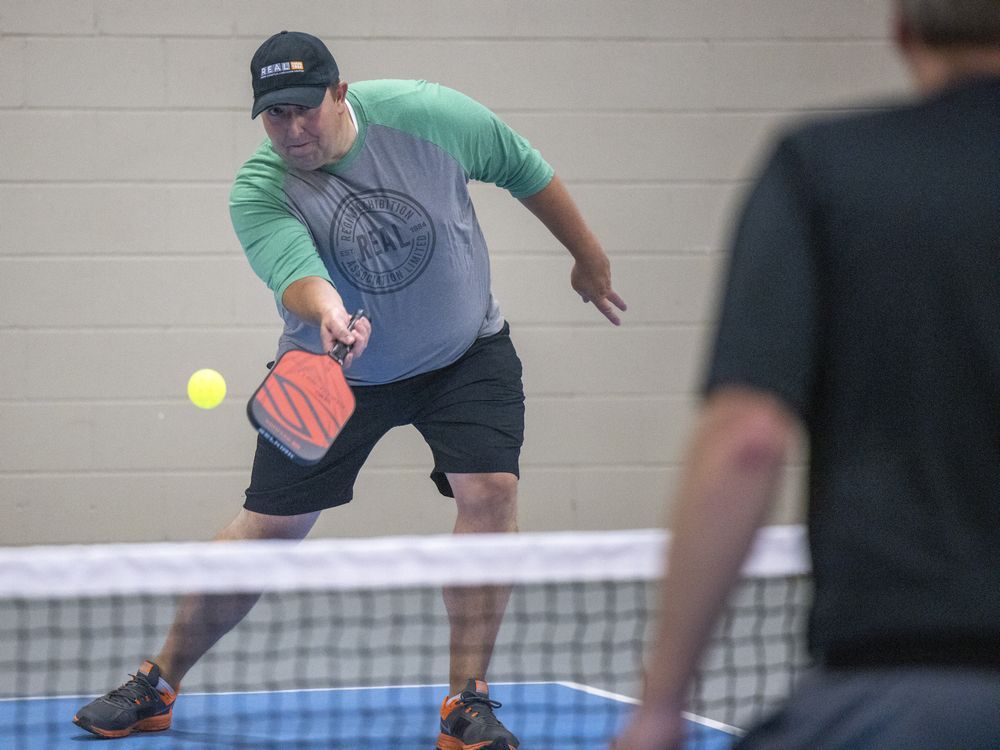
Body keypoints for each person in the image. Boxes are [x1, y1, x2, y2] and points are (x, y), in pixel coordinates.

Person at [72, 30, 626, 750]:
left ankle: (466, 704)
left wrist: (589, 258)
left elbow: (525, 168)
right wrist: (329, 312)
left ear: (340, 92)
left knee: (489, 495)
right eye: (275, 116)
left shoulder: (427, 114)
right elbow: (296, 271)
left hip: (464, 353)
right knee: (270, 528)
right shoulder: (259, 189)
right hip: (330, 367)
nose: (293, 129)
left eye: (305, 109)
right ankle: (157, 683)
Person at [614, 1, 1000, 748]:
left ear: (901, 31)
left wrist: (662, 704)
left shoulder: (822, 167)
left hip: (898, 691)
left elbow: (748, 440)